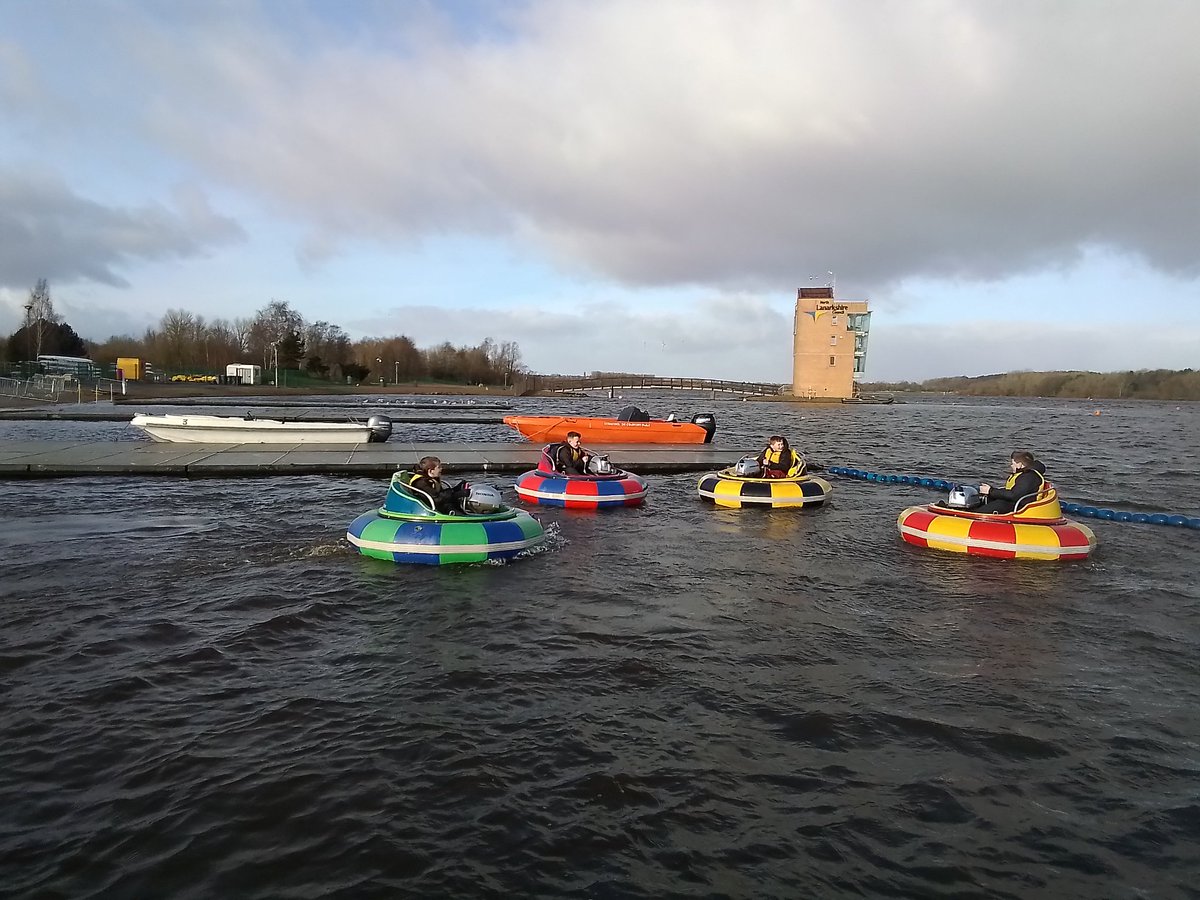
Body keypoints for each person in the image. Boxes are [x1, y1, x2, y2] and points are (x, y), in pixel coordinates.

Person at [977, 450, 1047, 514]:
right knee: (987, 499)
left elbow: (1013, 495)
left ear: (1019, 464)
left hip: (1019, 507)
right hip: (1014, 502)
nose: (1011, 466)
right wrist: (991, 491)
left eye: (1013, 463)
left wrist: (990, 491)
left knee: (996, 505)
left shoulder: (1029, 477)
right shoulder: (1025, 474)